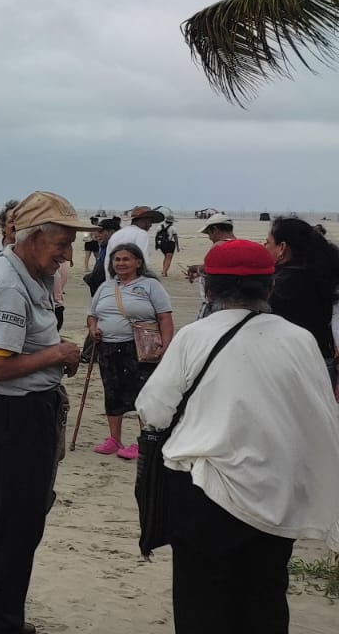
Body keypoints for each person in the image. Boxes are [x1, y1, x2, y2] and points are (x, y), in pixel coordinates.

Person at [136, 239, 339, 633]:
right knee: (265, 597)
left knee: (202, 602)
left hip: (203, 489)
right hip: (276, 492)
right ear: (270, 286)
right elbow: (319, 413)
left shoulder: (194, 336)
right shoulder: (298, 339)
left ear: (209, 289)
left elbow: (153, 410)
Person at [0, 191, 90, 634]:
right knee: (12, 523)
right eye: (62, 244)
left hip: (15, 412)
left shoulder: (23, 273)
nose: (66, 255)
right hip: (14, 415)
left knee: (3, 516)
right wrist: (57, 353)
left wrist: (52, 352)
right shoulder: (8, 285)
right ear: (33, 238)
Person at [86, 243, 175, 460]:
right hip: (108, 346)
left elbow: (164, 317)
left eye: (126, 259)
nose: (121, 263)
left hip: (140, 347)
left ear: (138, 262)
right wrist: (93, 329)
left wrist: (166, 345)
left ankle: (143, 440)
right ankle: (114, 439)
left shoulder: (150, 285)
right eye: (117, 259)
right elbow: (92, 315)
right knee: (112, 391)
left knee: (141, 392)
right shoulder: (106, 287)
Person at [265, 217, 339, 387]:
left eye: (267, 242)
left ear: (282, 248)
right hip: (322, 361)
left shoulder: (279, 285)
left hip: (288, 367)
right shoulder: (323, 274)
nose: (264, 246)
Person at [187, 213, 236, 320]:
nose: (210, 238)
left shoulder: (219, 246)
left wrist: (195, 269)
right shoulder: (239, 246)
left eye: (209, 233)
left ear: (215, 229)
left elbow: (210, 270)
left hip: (216, 302)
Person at [83, 216, 121, 296]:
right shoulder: (104, 246)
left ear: (112, 232)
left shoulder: (119, 250)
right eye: (97, 231)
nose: (97, 235)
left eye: (100, 232)